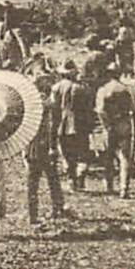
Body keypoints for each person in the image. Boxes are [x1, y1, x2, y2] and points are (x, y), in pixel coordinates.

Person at [25, 72, 67, 225]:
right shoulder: (48, 105)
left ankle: (33, 215)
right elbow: (51, 128)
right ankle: (57, 208)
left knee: (32, 183)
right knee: (53, 179)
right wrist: (53, 147)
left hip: (31, 148)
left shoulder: (29, 106)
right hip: (45, 147)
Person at [52, 61, 96, 190]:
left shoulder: (56, 88)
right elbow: (90, 107)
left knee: (67, 153)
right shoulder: (84, 88)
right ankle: (80, 177)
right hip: (81, 124)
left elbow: (54, 108)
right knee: (83, 152)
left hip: (63, 124)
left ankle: (71, 180)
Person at [96, 67, 135, 199]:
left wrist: (106, 123)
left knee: (108, 156)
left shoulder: (103, 90)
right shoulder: (127, 89)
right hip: (124, 124)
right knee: (125, 157)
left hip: (110, 125)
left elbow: (100, 110)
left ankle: (109, 186)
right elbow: (134, 108)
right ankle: (124, 188)